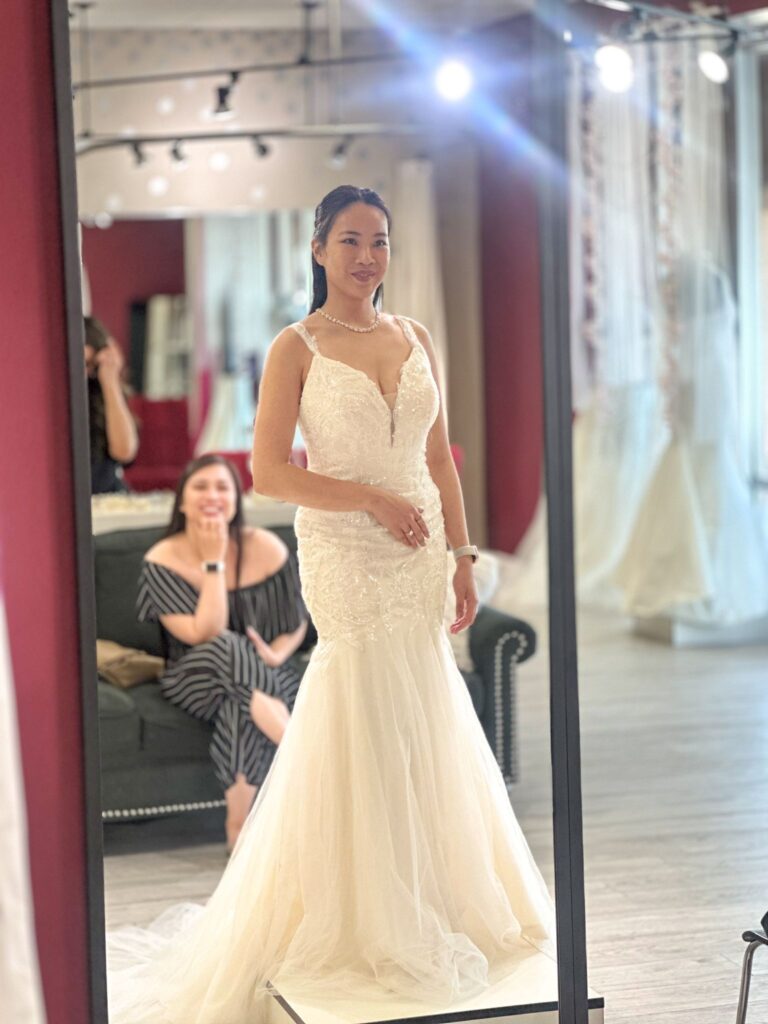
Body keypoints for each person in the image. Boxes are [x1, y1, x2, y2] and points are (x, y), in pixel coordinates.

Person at [107, 187, 555, 1022]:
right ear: (318, 249)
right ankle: (367, 914)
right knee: (360, 708)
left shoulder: (415, 335)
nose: (366, 257)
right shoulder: (297, 346)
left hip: (423, 555)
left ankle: (445, 900)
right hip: (349, 552)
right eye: (349, 241)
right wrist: (371, 501)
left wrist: (463, 556)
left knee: (425, 708)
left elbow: (440, 461)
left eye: (379, 242)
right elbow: (271, 473)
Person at [137, 454, 308, 850]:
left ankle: (240, 833)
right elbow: (204, 633)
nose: (211, 495)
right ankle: (300, 749)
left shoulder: (265, 546)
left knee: (240, 708)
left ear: (236, 500)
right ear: (181, 501)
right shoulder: (162, 559)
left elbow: (295, 621)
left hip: (268, 671)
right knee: (227, 645)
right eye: (200, 487)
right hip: (196, 673)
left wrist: (277, 655)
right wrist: (213, 563)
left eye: (221, 487)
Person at [84, 316, 139, 493]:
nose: (83, 373)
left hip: (106, 495)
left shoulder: (98, 391)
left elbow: (125, 451)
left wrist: (109, 380)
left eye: (88, 365)